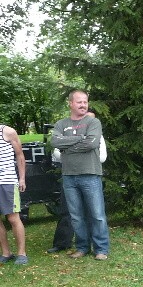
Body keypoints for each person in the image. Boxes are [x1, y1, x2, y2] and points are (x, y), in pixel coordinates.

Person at [51, 91, 110, 260]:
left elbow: (92, 143)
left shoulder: (93, 122)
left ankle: (101, 249)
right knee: (76, 215)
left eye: (85, 102)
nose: (83, 105)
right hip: (69, 175)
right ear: (70, 103)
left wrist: (67, 148)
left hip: (90, 174)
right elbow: (55, 142)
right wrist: (80, 139)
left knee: (97, 214)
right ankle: (82, 247)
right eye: (79, 102)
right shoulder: (61, 123)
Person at [0, 123, 28, 265]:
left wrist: (22, 178)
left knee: (13, 218)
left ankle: (21, 254)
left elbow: (20, 155)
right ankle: (6, 253)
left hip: (7, 182)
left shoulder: (8, 132)